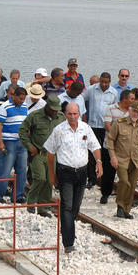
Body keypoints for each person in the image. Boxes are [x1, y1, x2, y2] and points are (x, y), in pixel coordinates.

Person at [44, 103, 102, 253]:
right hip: (65, 172)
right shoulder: (59, 131)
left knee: (76, 206)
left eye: (75, 114)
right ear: (65, 114)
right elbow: (50, 154)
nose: (72, 117)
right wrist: (52, 175)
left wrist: (99, 162)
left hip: (82, 173)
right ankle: (68, 243)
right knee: (67, 206)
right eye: (69, 114)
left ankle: (66, 227)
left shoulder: (85, 128)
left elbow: (94, 146)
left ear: (79, 114)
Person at [19, 95, 65, 217]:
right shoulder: (35, 116)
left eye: (57, 110)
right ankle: (31, 202)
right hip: (38, 153)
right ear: (47, 106)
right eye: (53, 109)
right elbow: (22, 130)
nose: (55, 112)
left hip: (53, 155)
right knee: (40, 178)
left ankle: (43, 208)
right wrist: (29, 146)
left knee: (49, 181)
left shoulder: (61, 117)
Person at [107, 100, 138, 219]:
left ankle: (126, 209)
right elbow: (110, 140)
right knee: (124, 182)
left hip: (136, 161)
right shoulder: (119, 124)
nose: (135, 114)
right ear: (129, 110)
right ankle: (120, 206)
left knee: (132, 185)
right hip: (121, 159)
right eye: (134, 111)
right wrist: (113, 156)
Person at [0, 87, 28, 204]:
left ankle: (18, 195)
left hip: (21, 142)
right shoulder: (4, 107)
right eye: (20, 98)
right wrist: (0, 142)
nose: (22, 101)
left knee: (22, 170)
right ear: (14, 96)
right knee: (5, 169)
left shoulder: (25, 107)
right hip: (9, 142)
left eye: (24, 99)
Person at [84, 72, 118, 188]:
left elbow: (115, 109)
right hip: (92, 125)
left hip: (106, 127)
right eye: (102, 82)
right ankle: (91, 179)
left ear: (109, 82)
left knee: (105, 153)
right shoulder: (91, 89)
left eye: (106, 82)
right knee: (91, 152)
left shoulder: (114, 93)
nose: (104, 84)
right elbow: (81, 99)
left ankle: (104, 178)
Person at [101, 89, 135, 203]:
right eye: (132, 99)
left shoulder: (132, 111)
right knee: (108, 173)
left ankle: (125, 196)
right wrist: (118, 137)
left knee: (125, 173)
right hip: (110, 146)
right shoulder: (110, 108)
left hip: (125, 149)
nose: (133, 101)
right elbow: (107, 125)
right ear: (125, 99)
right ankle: (105, 193)